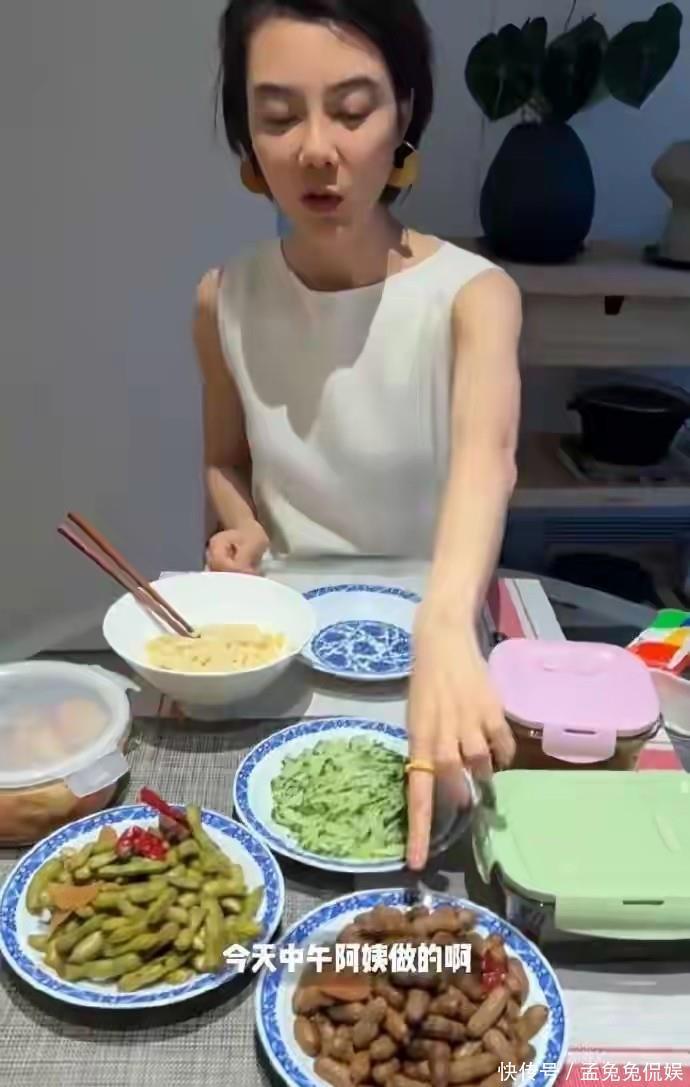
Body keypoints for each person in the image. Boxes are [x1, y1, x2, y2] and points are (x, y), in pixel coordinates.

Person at [194, 0, 521, 870]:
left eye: (351, 109)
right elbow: (226, 460)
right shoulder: (223, 298)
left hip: (437, 645)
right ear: (246, 135)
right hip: (281, 653)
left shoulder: (474, 295)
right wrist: (241, 525)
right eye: (277, 116)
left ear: (403, 110)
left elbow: (488, 459)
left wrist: (445, 626)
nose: (316, 149)